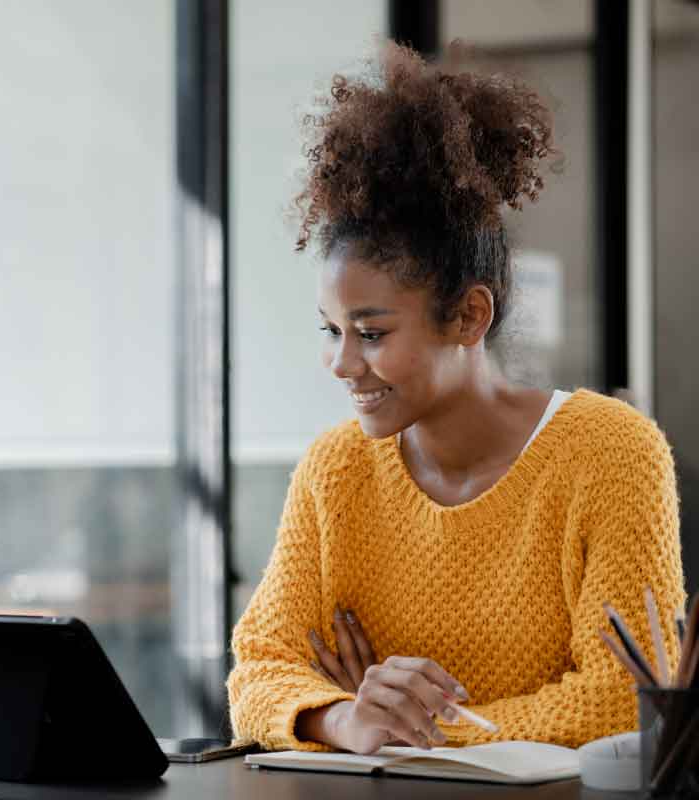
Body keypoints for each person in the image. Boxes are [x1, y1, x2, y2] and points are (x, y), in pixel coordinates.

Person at [226, 41, 685, 754]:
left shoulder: (610, 451)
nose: (341, 363)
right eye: (331, 329)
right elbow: (259, 671)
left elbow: (629, 699)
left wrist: (412, 729)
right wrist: (343, 717)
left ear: (470, 316)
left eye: (371, 333)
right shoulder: (335, 470)